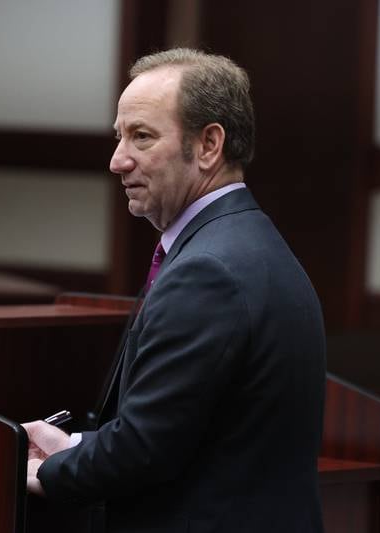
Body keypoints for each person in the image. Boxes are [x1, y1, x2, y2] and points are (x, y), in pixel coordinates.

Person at [22, 48, 326, 533]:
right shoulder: (251, 242)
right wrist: (75, 447)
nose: (118, 161)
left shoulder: (209, 270)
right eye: (120, 137)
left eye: (142, 137)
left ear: (208, 145)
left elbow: (143, 450)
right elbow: (191, 434)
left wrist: (45, 472)